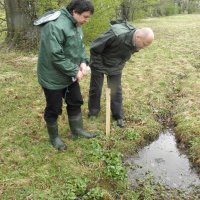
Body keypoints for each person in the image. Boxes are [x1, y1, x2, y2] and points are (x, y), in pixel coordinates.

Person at [36, 0, 96, 150]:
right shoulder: (54, 26)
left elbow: (80, 46)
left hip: (69, 75)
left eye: (89, 17)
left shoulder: (76, 24)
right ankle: (54, 138)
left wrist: (83, 61)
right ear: (74, 12)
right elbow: (55, 56)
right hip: (52, 76)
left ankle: (77, 131)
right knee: (54, 108)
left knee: (75, 101)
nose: (87, 21)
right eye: (85, 17)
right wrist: (75, 71)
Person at [88, 20, 154, 128]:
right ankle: (93, 112)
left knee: (115, 90)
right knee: (96, 88)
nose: (144, 47)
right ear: (138, 38)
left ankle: (118, 116)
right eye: (144, 44)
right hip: (99, 60)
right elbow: (94, 47)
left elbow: (126, 53)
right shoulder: (116, 34)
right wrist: (99, 66)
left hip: (116, 64)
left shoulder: (137, 41)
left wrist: (118, 64)